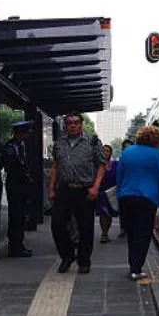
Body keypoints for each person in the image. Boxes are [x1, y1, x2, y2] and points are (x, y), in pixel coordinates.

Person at [49, 112, 106, 274]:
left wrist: (95, 187)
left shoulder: (92, 142)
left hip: (84, 190)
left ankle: (84, 261)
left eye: (76, 122)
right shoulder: (59, 143)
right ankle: (67, 255)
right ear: (65, 125)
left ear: (81, 124)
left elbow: (102, 165)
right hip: (64, 189)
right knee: (57, 224)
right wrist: (51, 188)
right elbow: (55, 166)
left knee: (85, 228)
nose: (73, 125)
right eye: (69, 123)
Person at [116, 125, 159, 281]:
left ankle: (132, 265)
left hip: (126, 197)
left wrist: (119, 195)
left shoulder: (127, 152)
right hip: (147, 199)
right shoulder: (157, 155)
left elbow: (119, 175)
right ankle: (136, 269)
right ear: (156, 139)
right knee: (143, 234)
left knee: (131, 233)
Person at [1, 120, 34, 257]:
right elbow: (13, 167)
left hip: (21, 185)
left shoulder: (20, 145)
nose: (28, 135)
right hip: (15, 185)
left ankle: (19, 245)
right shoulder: (11, 147)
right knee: (16, 216)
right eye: (26, 132)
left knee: (21, 217)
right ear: (20, 133)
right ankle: (15, 247)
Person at [96, 144, 117, 243]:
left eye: (107, 151)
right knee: (103, 213)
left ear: (110, 153)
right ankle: (104, 234)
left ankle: (106, 233)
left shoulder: (115, 164)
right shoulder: (97, 165)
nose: (105, 152)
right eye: (103, 150)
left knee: (109, 215)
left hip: (111, 193)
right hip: (101, 193)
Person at [117, 139, 133, 238]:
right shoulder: (122, 159)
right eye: (126, 148)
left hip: (136, 191)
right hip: (124, 191)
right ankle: (123, 228)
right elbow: (119, 176)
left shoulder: (138, 160)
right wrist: (119, 191)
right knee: (123, 211)